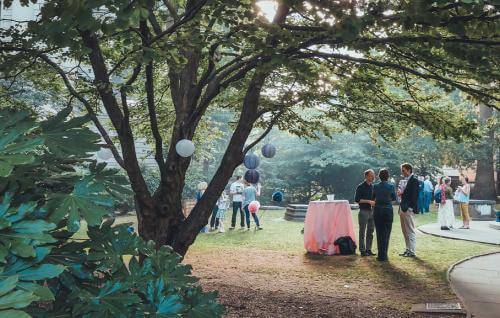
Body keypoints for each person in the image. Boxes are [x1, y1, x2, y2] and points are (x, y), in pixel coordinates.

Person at [373, 168, 397, 262]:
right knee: (387, 233)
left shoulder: (375, 186)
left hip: (378, 211)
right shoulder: (391, 186)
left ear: (379, 176)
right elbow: (394, 199)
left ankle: (380, 255)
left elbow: (373, 197)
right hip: (388, 211)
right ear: (388, 176)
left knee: (379, 233)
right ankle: (385, 255)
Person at [398, 163, 419, 258]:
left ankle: (412, 251)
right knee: (404, 230)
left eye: (403, 170)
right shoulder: (405, 181)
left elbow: (414, 196)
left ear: (409, 170)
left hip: (408, 208)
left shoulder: (414, 180)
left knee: (410, 230)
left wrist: (410, 207)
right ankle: (407, 249)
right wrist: (401, 194)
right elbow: (406, 194)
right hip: (402, 208)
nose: (402, 172)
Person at [354, 169, 376, 257]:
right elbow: (357, 200)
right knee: (362, 231)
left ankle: (369, 249)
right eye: (371, 175)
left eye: (373, 175)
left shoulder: (373, 186)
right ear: (366, 176)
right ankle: (362, 250)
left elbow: (374, 198)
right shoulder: (360, 187)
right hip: (363, 211)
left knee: (370, 231)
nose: (373, 177)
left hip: (372, 211)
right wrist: (368, 201)